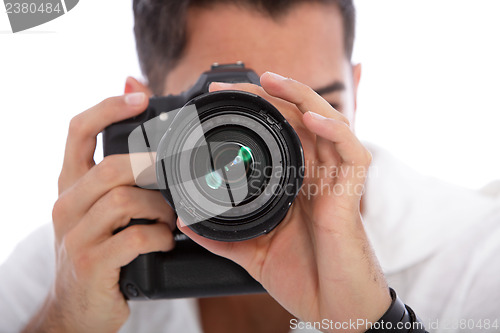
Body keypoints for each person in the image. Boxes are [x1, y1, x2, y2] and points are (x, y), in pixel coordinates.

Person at [0, 0, 499, 332]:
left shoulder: (478, 258)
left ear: (356, 91)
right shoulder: (71, 265)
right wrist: (64, 320)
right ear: (147, 110)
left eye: (313, 105)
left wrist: (373, 324)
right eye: (233, 119)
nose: (279, 145)